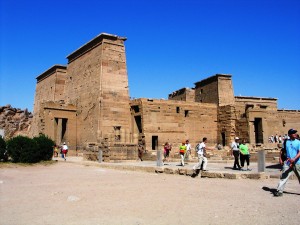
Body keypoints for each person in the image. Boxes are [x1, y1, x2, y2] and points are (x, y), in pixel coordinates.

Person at [274, 129, 300, 197]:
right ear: (289, 135)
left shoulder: (298, 142)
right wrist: (280, 158)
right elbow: (282, 151)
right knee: (284, 176)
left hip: (297, 162)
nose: (295, 134)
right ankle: (279, 191)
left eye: (295, 133)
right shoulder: (286, 142)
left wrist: (294, 159)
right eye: (293, 133)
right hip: (287, 162)